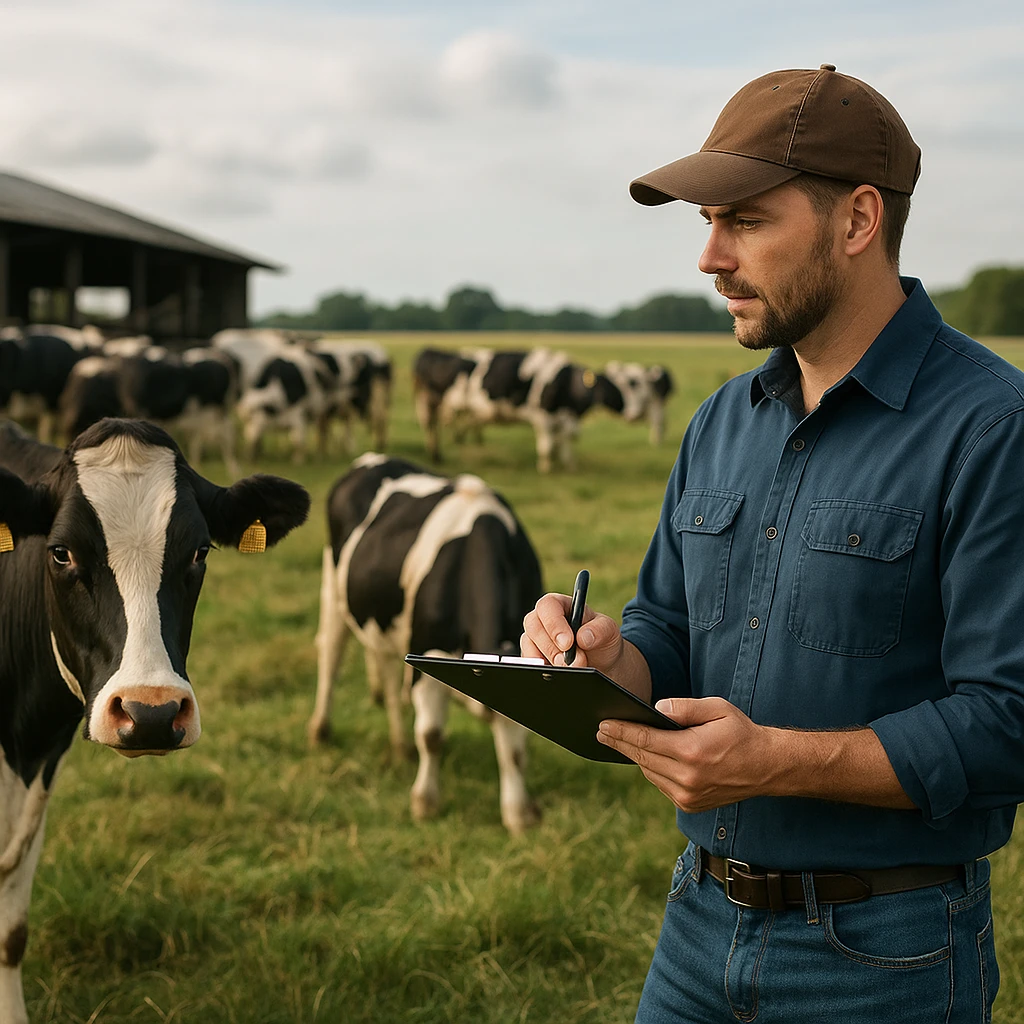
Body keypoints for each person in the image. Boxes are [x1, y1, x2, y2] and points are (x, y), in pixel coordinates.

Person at [522, 64, 1023, 1023]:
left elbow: (1011, 720)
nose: (709, 258)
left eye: (744, 221)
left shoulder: (994, 430)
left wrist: (777, 760)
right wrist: (605, 659)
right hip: (697, 922)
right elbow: (665, 629)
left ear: (858, 220)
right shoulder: (721, 420)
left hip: (888, 958)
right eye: (705, 223)